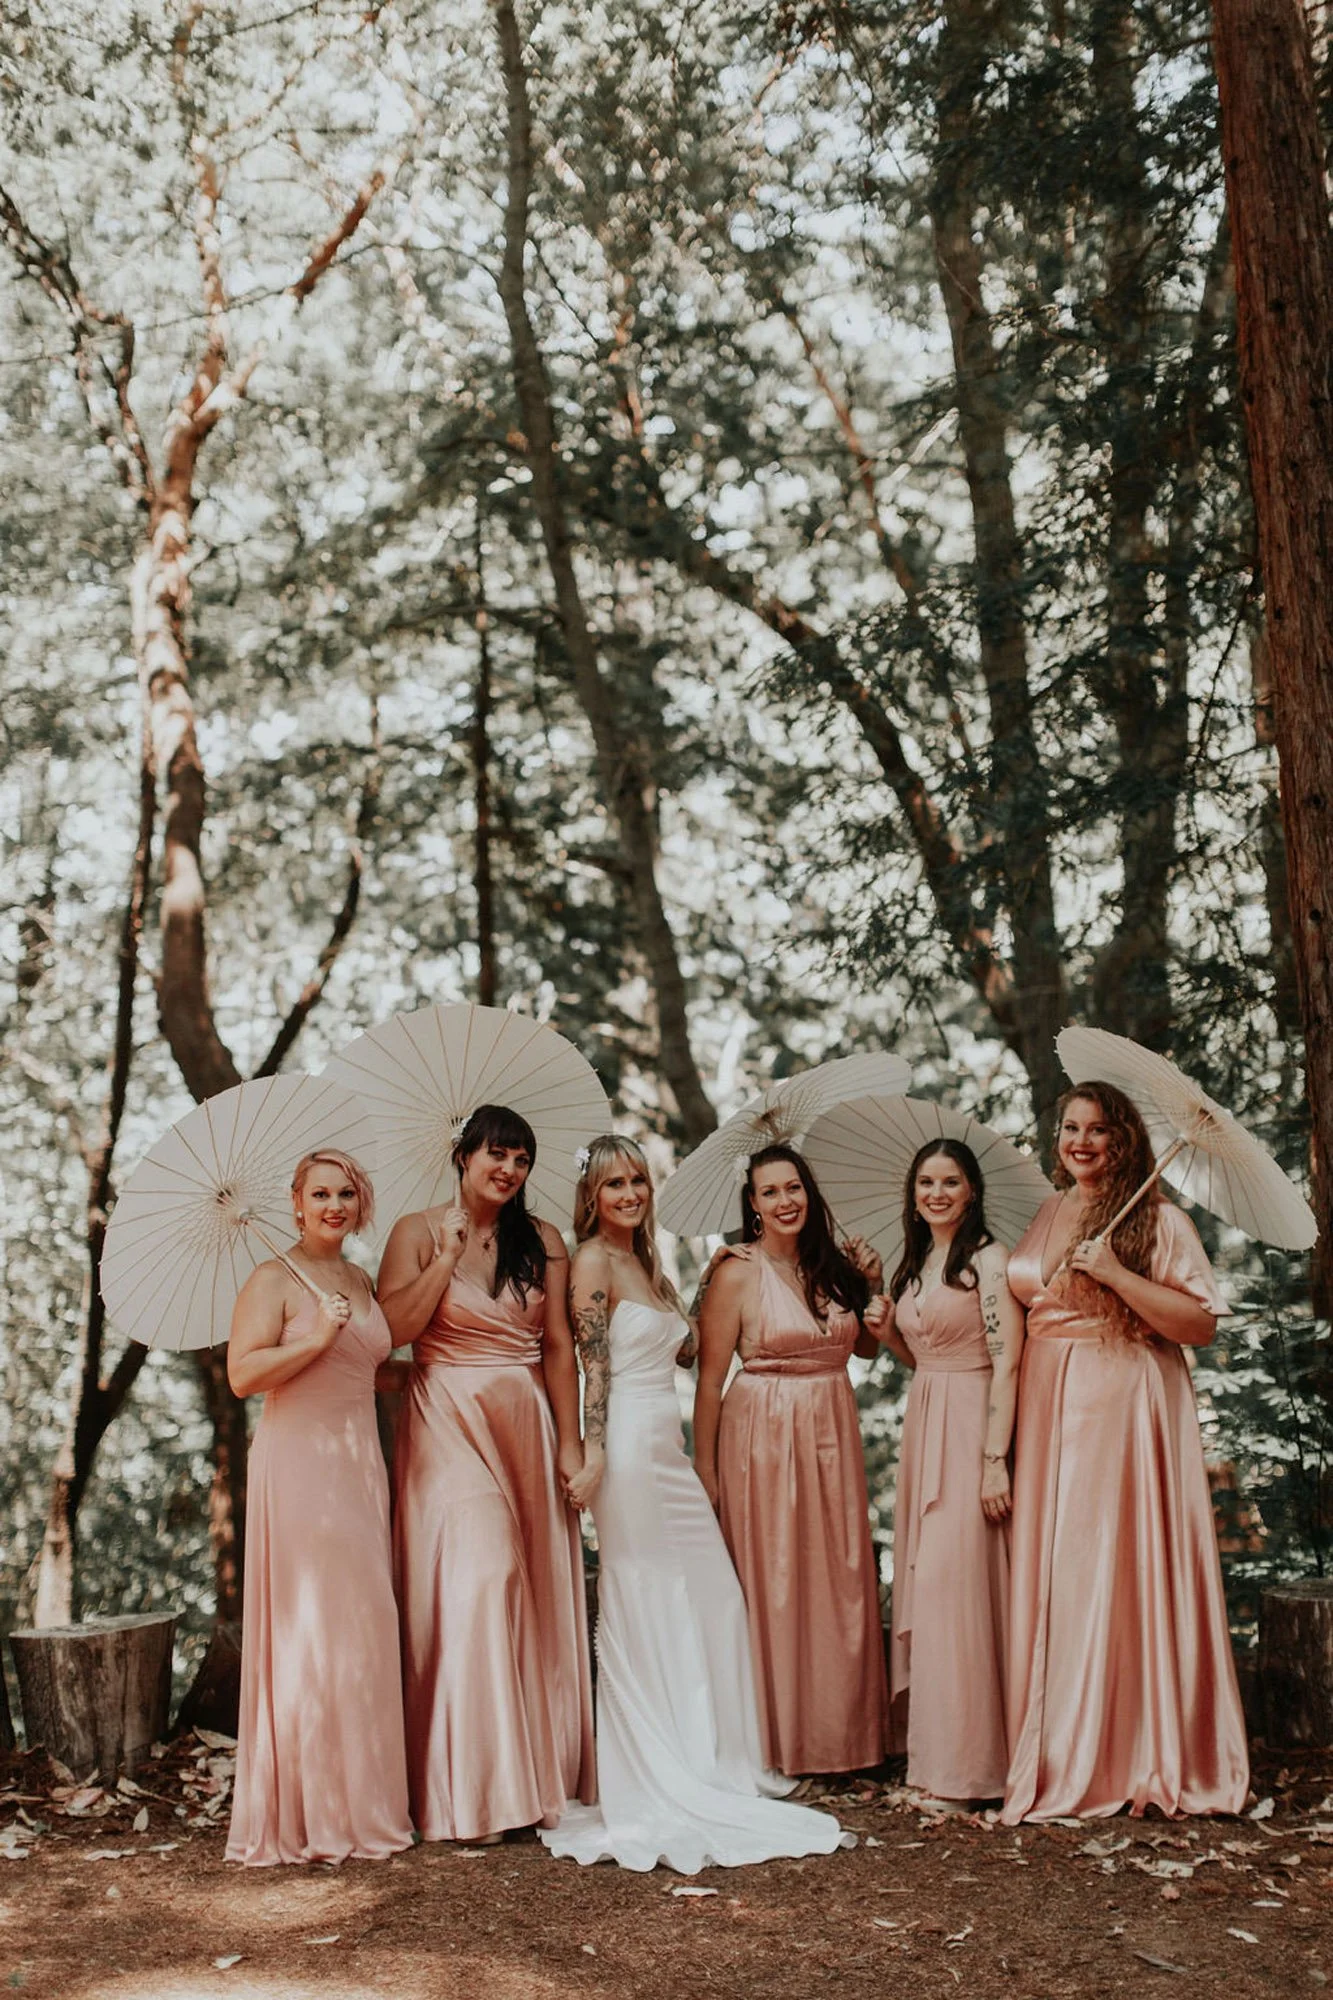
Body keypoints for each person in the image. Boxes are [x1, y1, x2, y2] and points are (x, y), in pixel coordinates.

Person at [539, 1138, 850, 1872]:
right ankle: (653, 1775)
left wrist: (709, 1286)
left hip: (665, 1448)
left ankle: (713, 1761)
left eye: (637, 1179)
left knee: (712, 1598)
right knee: (643, 1598)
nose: (628, 1193)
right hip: (624, 1446)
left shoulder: (650, 1265)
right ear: (592, 1194)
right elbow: (594, 1366)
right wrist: (592, 1453)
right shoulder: (590, 1262)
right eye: (613, 1183)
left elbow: (683, 1355)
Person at [1002, 1082, 1249, 1822]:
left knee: (1110, 1565)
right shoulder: (1047, 1210)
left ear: (1125, 1140)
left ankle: (1126, 1750)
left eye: (1098, 1130)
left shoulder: (1159, 1218)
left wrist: (1113, 1273)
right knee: (1059, 1574)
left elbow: (1199, 1326)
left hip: (1121, 1405)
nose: (1080, 1142)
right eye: (1069, 1127)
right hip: (1045, 1403)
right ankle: (1054, 1745)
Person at [378, 1103, 595, 1844]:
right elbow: (394, 1332)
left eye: (521, 1159)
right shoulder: (413, 1230)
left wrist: (573, 1445)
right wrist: (442, 1257)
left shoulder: (542, 1239)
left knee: (529, 1586)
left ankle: (533, 1776)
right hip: (444, 1417)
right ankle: (471, 1790)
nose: (508, 1170)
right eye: (496, 1155)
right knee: (482, 1575)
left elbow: (560, 1346)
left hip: (523, 1420)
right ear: (462, 1156)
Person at [226, 1149, 412, 1866]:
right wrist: (313, 1335)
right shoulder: (271, 1278)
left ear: (360, 1204)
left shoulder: (359, 1278)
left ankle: (367, 1803)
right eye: (320, 1194)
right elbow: (245, 1375)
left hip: (359, 1463)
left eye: (346, 1194)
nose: (334, 1205)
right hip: (299, 1466)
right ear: (296, 1203)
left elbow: (368, 1372)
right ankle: (312, 1811)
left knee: (364, 1623)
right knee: (316, 1627)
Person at [695, 1144, 889, 1777]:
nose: (786, 1202)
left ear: (810, 1192)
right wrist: (707, 1469)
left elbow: (864, 1351)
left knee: (837, 1577)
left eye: (794, 1188)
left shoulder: (834, 1266)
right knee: (773, 1579)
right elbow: (709, 1379)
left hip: (831, 1425)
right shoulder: (735, 1272)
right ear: (752, 1205)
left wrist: (874, 1287)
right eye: (770, 1192)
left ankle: (840, 1740)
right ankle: (775, 1741)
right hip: (762, 1433)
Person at [864, 1140, 1023, 1803]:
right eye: (924, 1181)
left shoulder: (988, 1261)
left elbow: (1006, 1360)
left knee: (962, 1586)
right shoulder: (917, 1263)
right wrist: (886, 1333)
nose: (935, 1193)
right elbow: (921, 1358)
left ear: (970, 1191)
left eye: (948, 1182)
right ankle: (935, 1760)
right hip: (925, 1420)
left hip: (971, 1426)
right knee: (929, 1584)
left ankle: (974, 1766)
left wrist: (993, 1460)